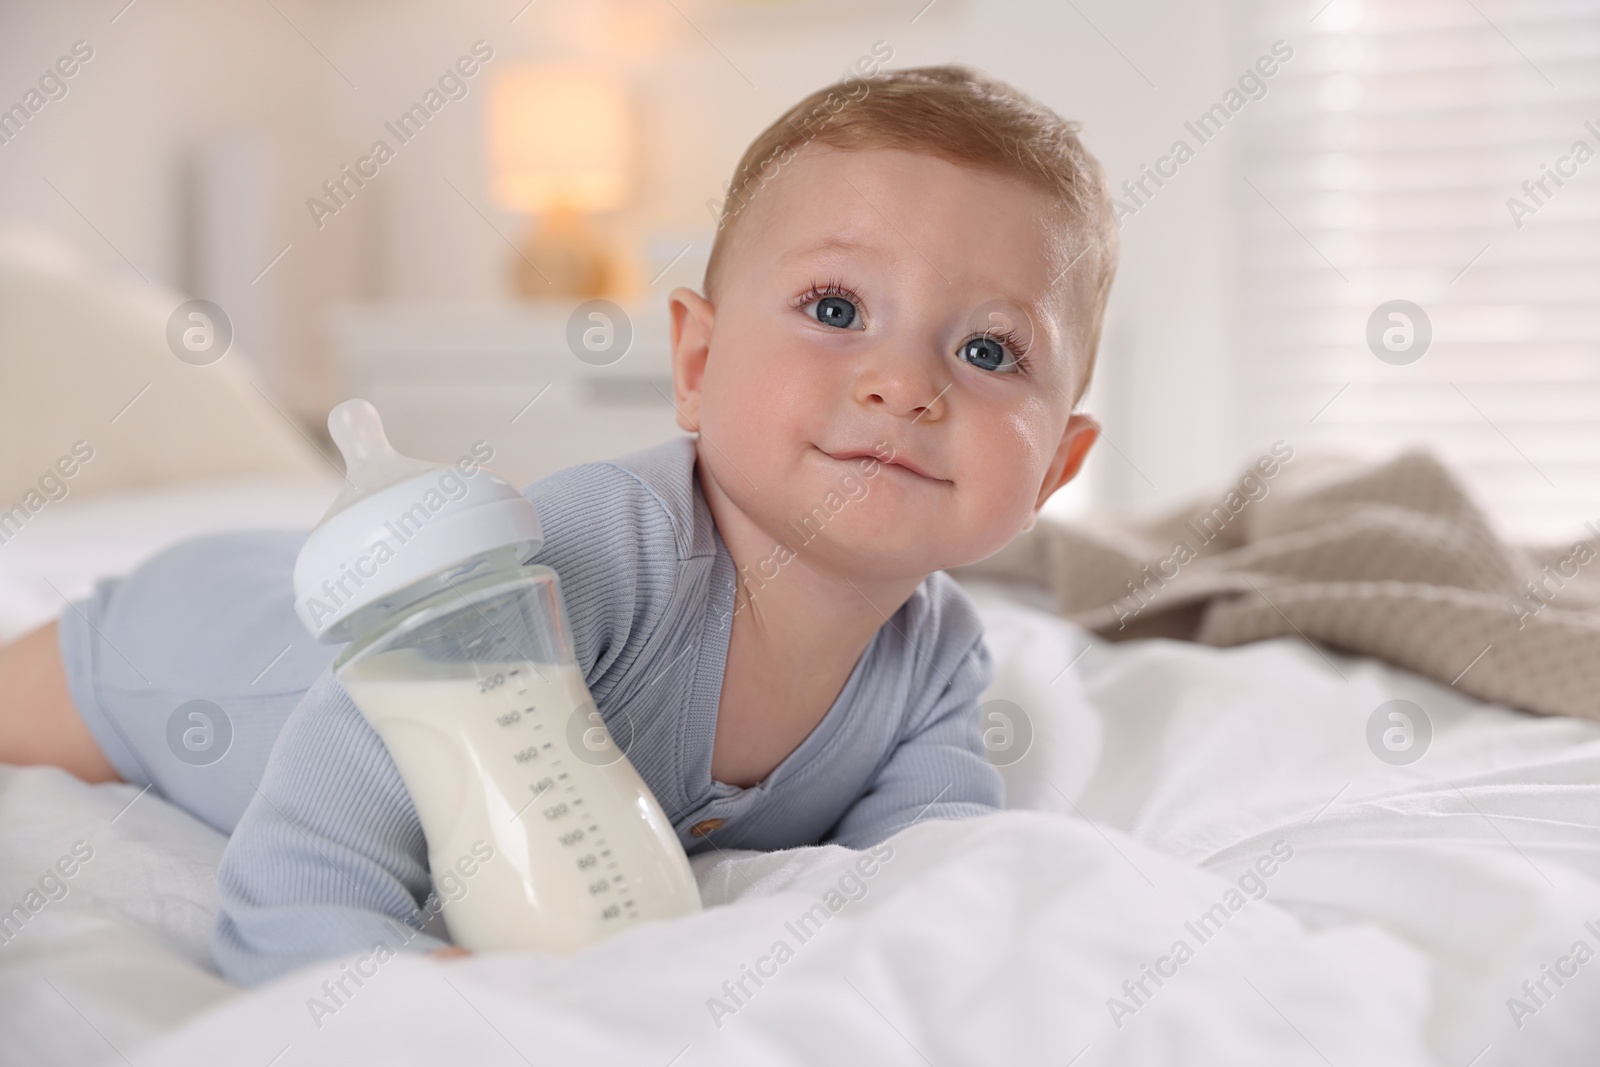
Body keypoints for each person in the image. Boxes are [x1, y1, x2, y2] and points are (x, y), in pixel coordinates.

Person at [0, 63, 1117, 986]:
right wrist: (382, 965)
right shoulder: (593, 549)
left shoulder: (937, 663)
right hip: (202, 652)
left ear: (1056, 466)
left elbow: (934, 882)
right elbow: (302, 870)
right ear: (695, 361)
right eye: (836, 309)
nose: (900, 381)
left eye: (987, 350)